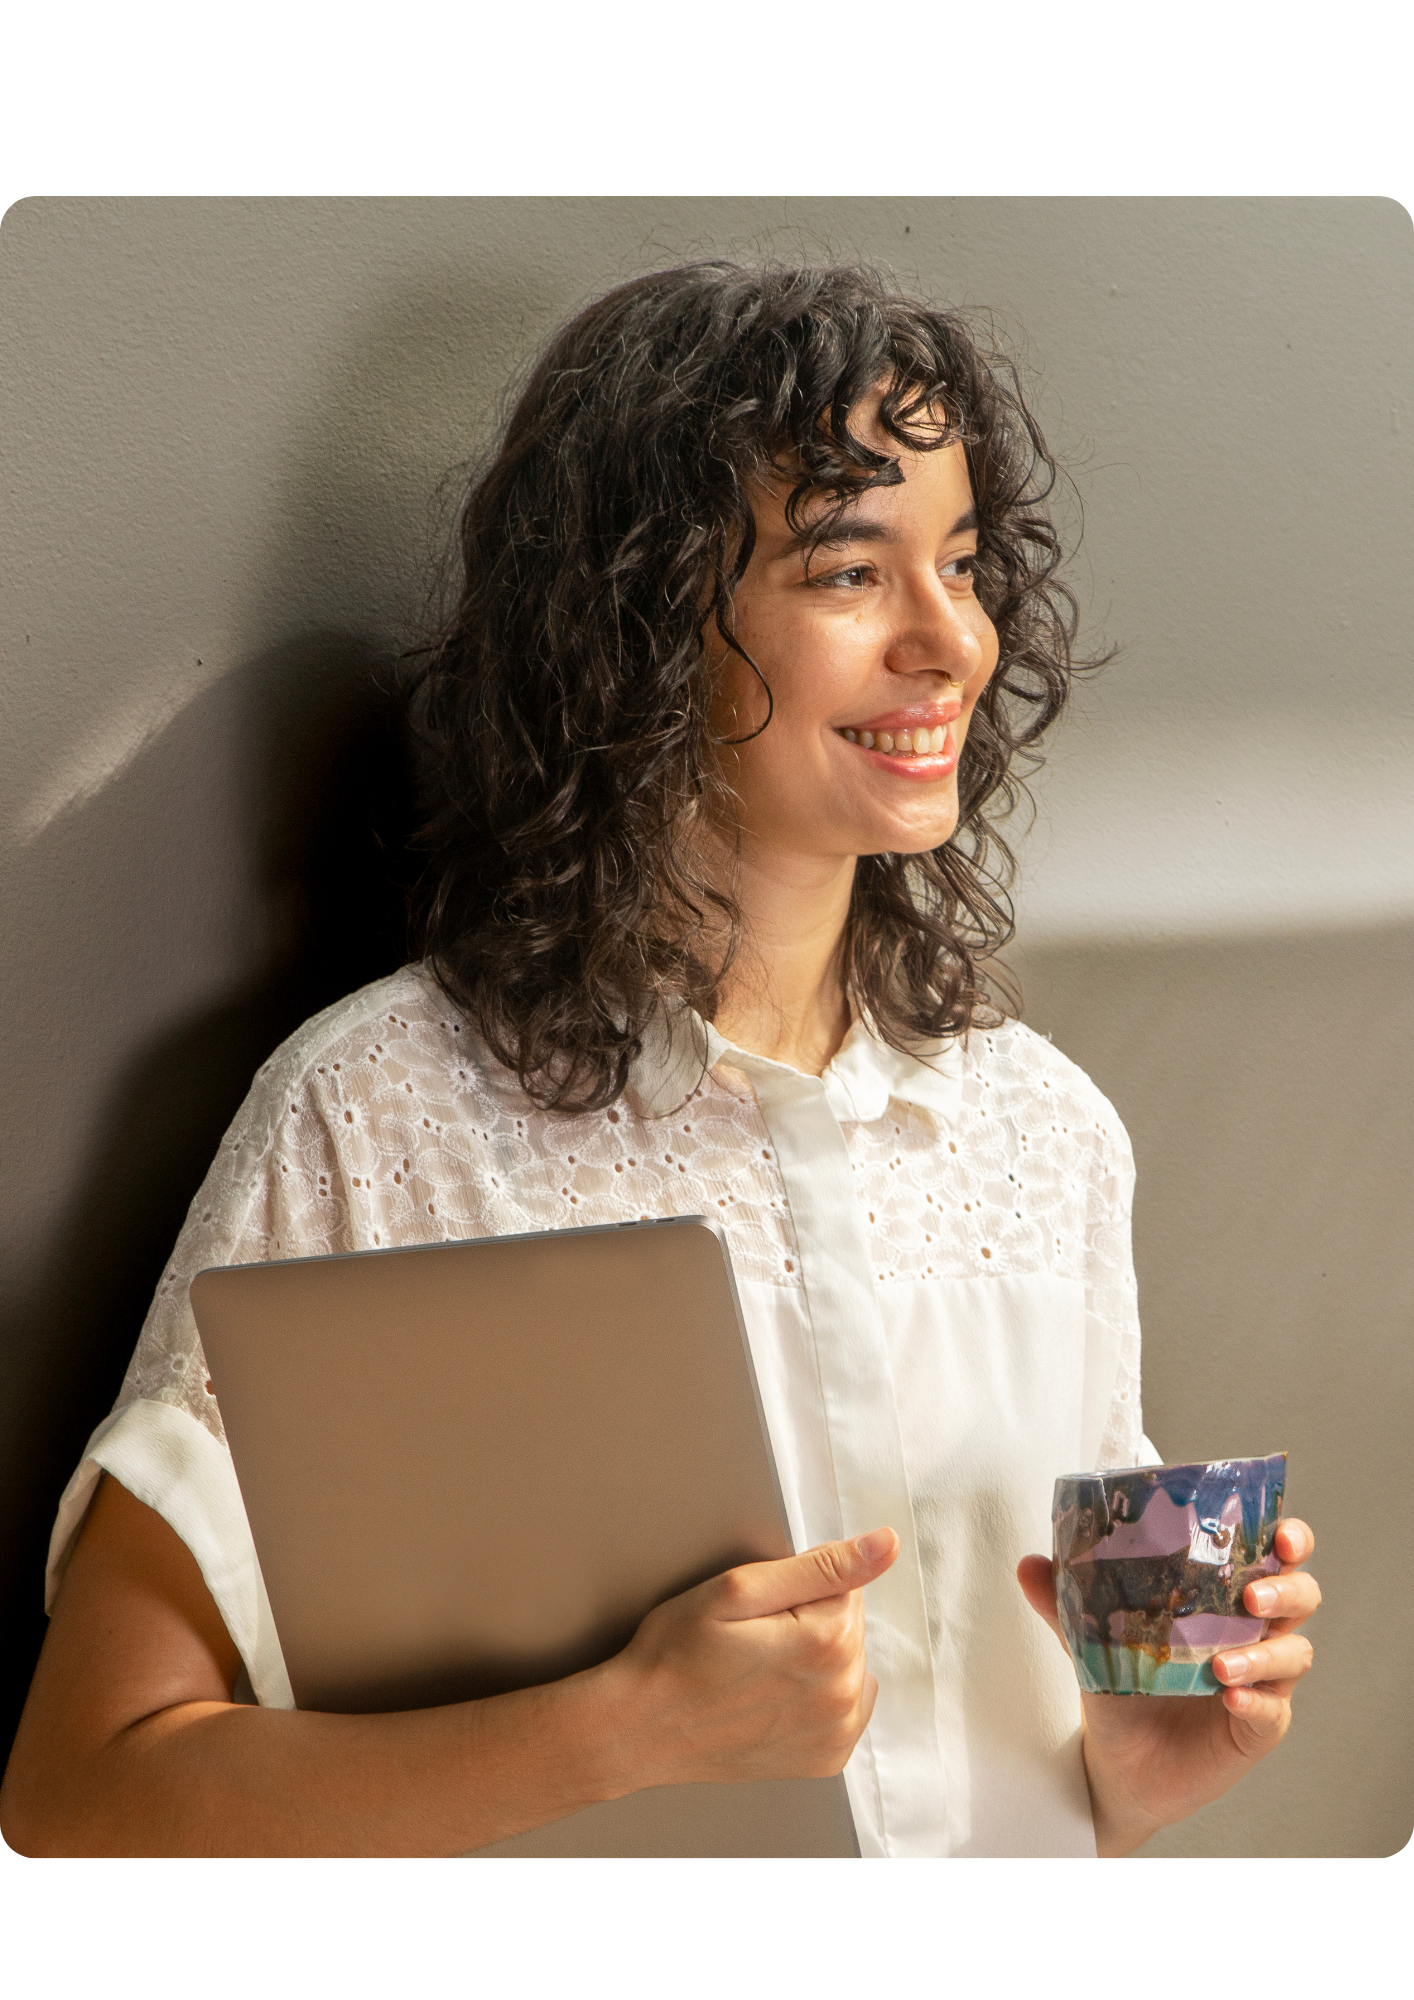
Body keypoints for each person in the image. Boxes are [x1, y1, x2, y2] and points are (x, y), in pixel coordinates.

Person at [0, 262, 1319, 1859]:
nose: (947, 643)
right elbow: (85, 1799)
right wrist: (617, 1730)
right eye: (849, 571)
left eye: (961, 567)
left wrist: (1134, 1770)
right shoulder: (387, 1114)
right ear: (637, 622)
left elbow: (996, 1797)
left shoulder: (1045, 1136)